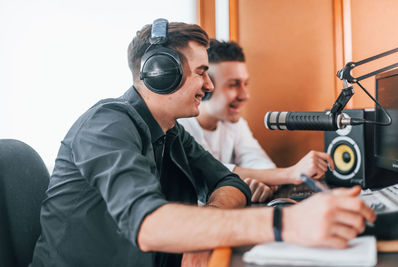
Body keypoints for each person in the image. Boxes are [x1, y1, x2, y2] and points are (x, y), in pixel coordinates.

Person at [31, 20, 375, 267]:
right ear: (160, 73)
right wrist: (286, 225)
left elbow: (230, 181)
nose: (209, 86)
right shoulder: (105, 125)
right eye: (201, 72)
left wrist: (202, 230)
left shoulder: (171, 131)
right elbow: (150, 226)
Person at [179, 39, 335, 202]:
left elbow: (257, 160)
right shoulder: (180, 127)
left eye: (245, 84)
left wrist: (265, 182)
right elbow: (212, 172)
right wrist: (290, 174)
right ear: (206, 86)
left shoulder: (234, 123)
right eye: (233, 85)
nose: (245, 95)